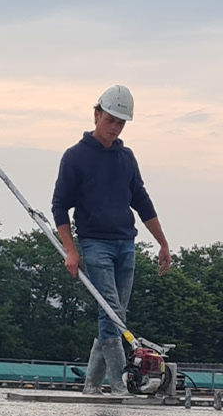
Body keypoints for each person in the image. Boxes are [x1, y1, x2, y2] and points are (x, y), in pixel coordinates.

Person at [51, 84, 172, 394]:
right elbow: (60, 206)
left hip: (126, 245)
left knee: (115, 315)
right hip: (94, 244)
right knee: (113, 314)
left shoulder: (127, 158)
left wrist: (162, 242)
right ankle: (120, 383)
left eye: (121, 123)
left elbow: (142, 201)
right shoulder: (75, 157)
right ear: (96, 115)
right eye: (110, 120)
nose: (115, 128)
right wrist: (71, 250)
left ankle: (92, 385)